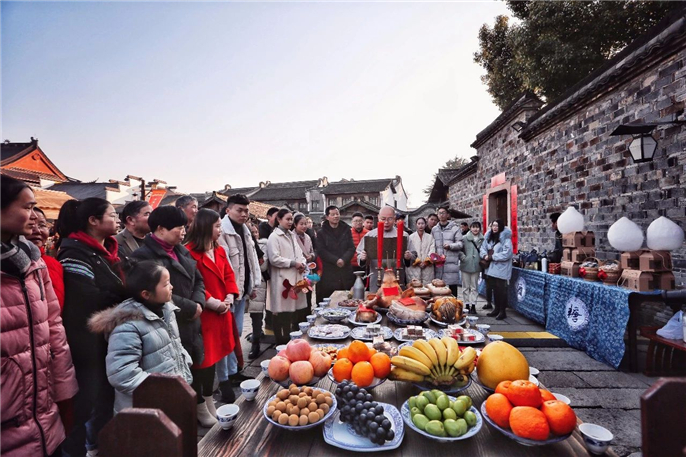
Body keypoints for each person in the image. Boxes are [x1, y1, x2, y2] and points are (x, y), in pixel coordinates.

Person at [1, 176, 79, 457]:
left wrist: (64, 388)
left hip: (43, 409)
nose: (35, 216)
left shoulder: (33, 261)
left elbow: (53, 326)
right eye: (28, 207)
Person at [56, 197, 125, 457]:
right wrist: (129, 296)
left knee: (105, 400)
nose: (117, 219)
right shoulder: (74, 253)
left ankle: (99, 447)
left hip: (106, 339)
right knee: (86, 404)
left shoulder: (105, 251)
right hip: (87, 344)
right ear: (93, 221)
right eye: (112, 214)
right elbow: (87, 299)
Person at [88, 260, 193, 415]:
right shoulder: (128, 326)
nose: (172, 287)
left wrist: (185, 365)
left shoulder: (167, 310)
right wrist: (162, 389)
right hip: (144, 411)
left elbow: (175, 345)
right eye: (166, 284)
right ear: (146, 294)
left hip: (171, 398)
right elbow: (122, 374)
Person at [130, 206, 206, 366]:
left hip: (192, 325)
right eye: (179, 228)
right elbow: (151, 292)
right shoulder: (142, 256)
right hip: (168, 327)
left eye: (184, 227)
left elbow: (198, 280)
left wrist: (198, 303)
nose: (184, 232)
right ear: (161, 229)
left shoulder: (182, 251)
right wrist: (189, 307)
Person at [185, 209, 240, 423]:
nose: (220, 230)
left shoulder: (219, 250)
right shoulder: (189, 252)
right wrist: (213, 302)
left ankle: (209, 400)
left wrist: (230, 296)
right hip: (205, 313)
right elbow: (193, 284)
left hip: (222, 311)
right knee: (203, 362)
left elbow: (229, 275)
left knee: (215, 358)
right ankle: (200, 405)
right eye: (217, 226)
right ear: (205, 227)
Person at [216, 195, 261, 396]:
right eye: (239, 210)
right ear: (228, 210)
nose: (243, 214)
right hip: (228, 293)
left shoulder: (245, 230)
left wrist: (253, 284)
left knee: (237, 332)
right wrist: (229, 291)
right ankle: (225, 376)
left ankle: (234, 370)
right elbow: (224, 266)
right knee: (227, 335)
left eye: (246, 211)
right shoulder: (222, 231)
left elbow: (251, 260)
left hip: (242, 290)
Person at [267, 209, 307, 344]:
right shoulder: (274, 237)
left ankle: (289, 340)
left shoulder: (291, 235)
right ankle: (280, 341)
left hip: (294, 277)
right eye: (287, 219)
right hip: (281, 278)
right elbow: (274, 258)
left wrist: (302, 263)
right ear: (279, 220)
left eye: (291, 219)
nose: (290, 222)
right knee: (280, 313)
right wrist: (293, 263)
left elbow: (299, 253)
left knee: (291, 312)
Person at [356, 206, 411, 292]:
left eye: (390, 219)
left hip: (396, 277)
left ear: (394, 219)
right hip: (377, 278)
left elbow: (412, 254)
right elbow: (359, 254)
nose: (386, 222)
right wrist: (362, 258)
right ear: (378, 218)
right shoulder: (370, 235)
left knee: (395, 298)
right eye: (383, 219)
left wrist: (408, 257)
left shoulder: (403, 235)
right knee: (377, 298)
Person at [27, 206, 65, 310]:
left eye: (42, 225)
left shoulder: (55, 264)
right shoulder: (9, 265)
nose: (37, 230)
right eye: (30, 224)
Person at [316, 206, 355, 303]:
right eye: (333, 214)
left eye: (337, 214)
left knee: (347, 299)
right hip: (330, 270)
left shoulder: (346, 230)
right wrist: (335, 260)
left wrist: (343, 259)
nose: (336, 216)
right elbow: (321, 250)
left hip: (345, 269)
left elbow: (351, 248)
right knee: (330, 299)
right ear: (327, 217)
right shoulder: (321, 233)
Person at [480, 219, 513, 320]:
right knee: (494, 290)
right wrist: (484, 255)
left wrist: (492, 257)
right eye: (493, 225)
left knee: (501, 291)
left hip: (501, 268)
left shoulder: (506, 239)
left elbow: (507, 253)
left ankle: (502, 311)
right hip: (491, 268)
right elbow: (483, 248)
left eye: (497, 226)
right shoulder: (489, 238)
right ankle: (496, 309)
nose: (494, 228)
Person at [431, 207, 463, 296]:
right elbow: (432, 244)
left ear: (447, 215)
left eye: (443, 213)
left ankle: (455, 303)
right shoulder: (434, 229)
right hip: (439, 263)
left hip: (451, 262)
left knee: (452, 288)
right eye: (439, 213)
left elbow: (460, 244)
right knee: (439, 288)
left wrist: (450, 246)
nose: (441, 215)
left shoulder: (455, 228)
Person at [459, 222, 484, 315]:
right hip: (466, 264)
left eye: (477, 227)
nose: (475, 229)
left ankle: (473, 305)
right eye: (473, 227)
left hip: (477, 265)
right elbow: (459, 250)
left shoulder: (482, 239)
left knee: (474, 286)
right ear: (470, 228)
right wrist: (463, 258)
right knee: (465, 286)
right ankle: (466, 304)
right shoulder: (464, 238)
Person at [294, 213, 316, 310]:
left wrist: (311, 256)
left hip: (308, 270)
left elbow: (312, 251)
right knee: (299, 297)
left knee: (308, 296)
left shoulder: (307, 237)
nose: (304, 226)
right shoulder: (292, 237)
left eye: (305, 224)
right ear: (295, 225)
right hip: (298, 270)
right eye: (301, 224)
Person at [406, 217, 435, 285]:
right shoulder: (411, 237)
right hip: (414, 266)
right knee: (414, 287)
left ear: (425, 224)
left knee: (427, 287)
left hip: (427, 267)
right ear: (416, 225)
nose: (421, 225)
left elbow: (432, 250)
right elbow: (409, 251)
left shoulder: (430, 237)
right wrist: (417, 261)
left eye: (422, 223)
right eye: (419, 224)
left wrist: (426, 262)